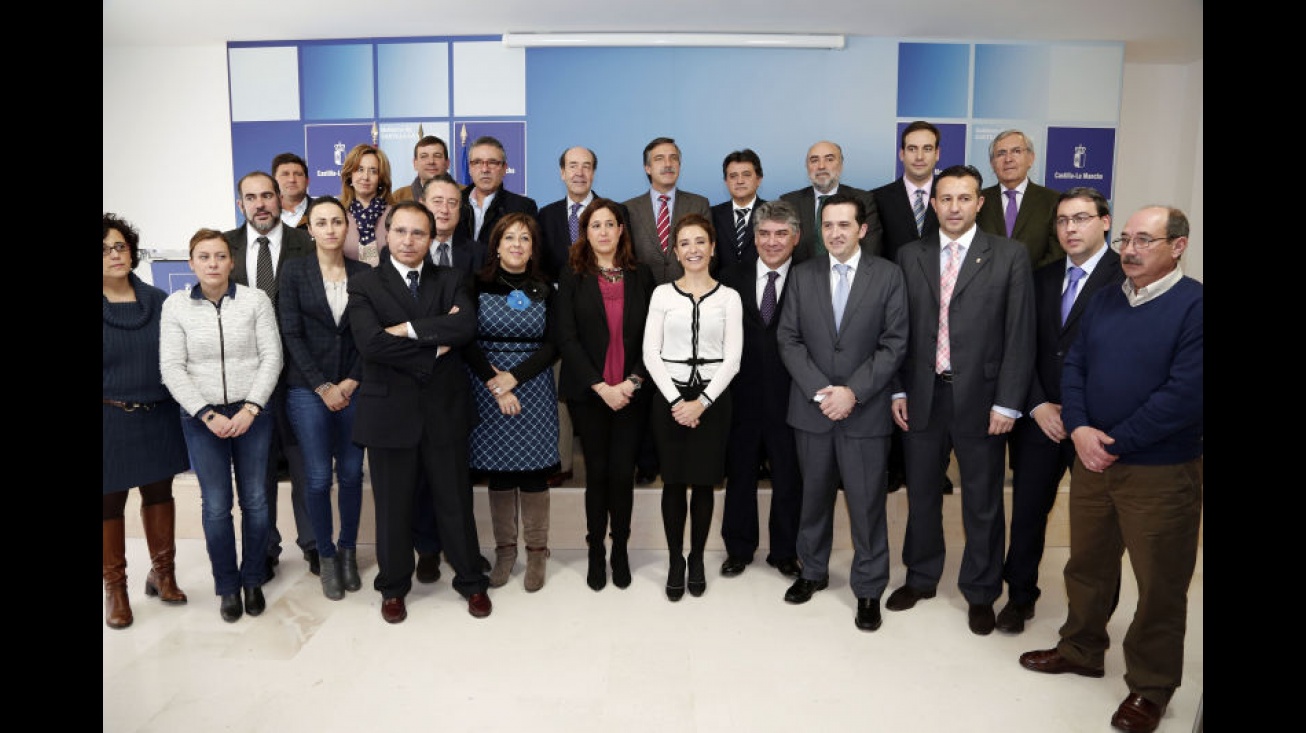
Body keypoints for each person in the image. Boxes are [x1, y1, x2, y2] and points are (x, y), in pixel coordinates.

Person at [1019, 206, 1202, 733]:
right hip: (1092, 459)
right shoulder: (1104, 301)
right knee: (1088, 565)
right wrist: (1079, 428)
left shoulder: (1194, 307)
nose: (1130, 249)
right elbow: (1074, 366)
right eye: (1126, 238)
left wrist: (1116, 442)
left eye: (1145, 239)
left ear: (1178, 246)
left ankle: (1150, 686)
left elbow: (1186, 395)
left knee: (1160, 583)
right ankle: (1081, 648)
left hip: (1160, 471)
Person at [887, 164, 1035, 636]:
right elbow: (898, 331)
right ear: (933, 204)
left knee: (983, 501)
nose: (954, 207)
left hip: (983, 400)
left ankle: (981, 591)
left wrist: (1009, 402)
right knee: (923, 494)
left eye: (964, 198)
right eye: (945, 199)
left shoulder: (1009, 255)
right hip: (923, 396)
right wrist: (898, 387)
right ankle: (922, 576)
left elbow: (1020, 334)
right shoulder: (909, 255)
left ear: (980, 202)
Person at [346, 201, 491, 623]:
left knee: (455, 501)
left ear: (432, 239)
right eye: (402, 231)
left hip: (444, 410)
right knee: (392, 507)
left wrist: (408, 330)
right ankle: (393, 588)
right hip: (389, 412)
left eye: (419, 233)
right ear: (386, 235)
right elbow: (370, 344)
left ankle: (470, 581)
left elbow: (464, 328)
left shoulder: (451, 278)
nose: (409, 241)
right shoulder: (365, 284)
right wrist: (433, 346)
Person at [775, 193, 908, 632]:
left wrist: (852, 392)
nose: (835, 233)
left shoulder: (888, 276)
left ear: (862, 229)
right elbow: (789, 339)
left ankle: (868, 588)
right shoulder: (802, 274)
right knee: (812, 498)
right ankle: (812, 570)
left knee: (867, 505)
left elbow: (894, 343)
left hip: (864, 413)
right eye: (827, 226)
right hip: (812, 412)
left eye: (844, 225)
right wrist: (821, 391)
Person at [998, 187, 1125, 633]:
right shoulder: (1041, 278)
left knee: (1098, 530)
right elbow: (1022, 347)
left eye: (1082, 218)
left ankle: (1092, 618)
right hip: (1040, 423)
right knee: (1028, 513)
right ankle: (1018, 596)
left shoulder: (1126, 278)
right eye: (1063, 221)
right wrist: (1035, 404)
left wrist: (1078, 413)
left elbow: (1127, 359)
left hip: (1097, 427)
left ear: (1105, 222)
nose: (1071, 228)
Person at [160, 228, 283, 623]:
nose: (213, 264)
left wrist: (250, 408)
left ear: (232, 261)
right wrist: (207, 414)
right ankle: (227, 586)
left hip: (253, 414)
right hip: (201, 419)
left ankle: (252, 580)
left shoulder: (255, 300)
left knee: (257, 501)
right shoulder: (176, 306)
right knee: (216, 505)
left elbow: (272, 358)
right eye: (204, 257)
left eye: (220, 256)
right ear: (192, 263)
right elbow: (172, 368)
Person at [555, 198, 656, 591]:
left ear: (620, 230)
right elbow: (566, 337)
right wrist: (600, 386)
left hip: (631, 392)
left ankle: (620, 549)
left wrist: (631, 382)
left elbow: (654, 335)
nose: (603, 232)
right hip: (590, 393)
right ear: (586, 232)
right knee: (597, 474)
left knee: (622, 474)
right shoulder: (573, 275)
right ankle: (596, 549)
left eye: (610, 224)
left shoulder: (642, 275)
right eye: (595, 225)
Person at [222, 171, 318, 581]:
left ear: (281, 199)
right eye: (251, 197)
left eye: (267, 195)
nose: (260, 204)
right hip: (246, 377)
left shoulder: (306, 243)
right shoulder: (223, 247)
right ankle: (264, 547)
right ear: (240, 203)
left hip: (298, 374)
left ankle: (315, 545)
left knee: (305, 467)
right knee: (256, 472)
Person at [643, 214, 742, 601]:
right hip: (669, 399)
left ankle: (697, 558)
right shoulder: (662, 295)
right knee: (673, 482)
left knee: (703, 483)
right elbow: (651, 354)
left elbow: (732, 360)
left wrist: (700, 403)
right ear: (676, 250)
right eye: (685, 243)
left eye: (700, 241)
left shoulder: (729, 297)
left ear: (713, 247)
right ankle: (674, 561)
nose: (693, 249)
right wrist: (677, 402)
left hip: (713, 401)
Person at [276, 195, 370, 600]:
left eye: (337, 221)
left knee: (351, 474)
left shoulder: (365, 273)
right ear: (309, 229)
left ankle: (348, 550)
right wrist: (322, 386)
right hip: (306, 390)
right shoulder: (294, 272)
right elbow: (290, 334)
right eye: (322, 222)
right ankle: (326, 555)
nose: (330, 229)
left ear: (347, 227)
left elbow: (371, 337)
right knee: (316, 477)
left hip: (354, 387)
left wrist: (350, 382)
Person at [103, 213, 192, 629]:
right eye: (104, 249)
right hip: (109, 419)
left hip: (158, 414)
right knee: (109, 505)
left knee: (159, 495)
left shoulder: (158, 300)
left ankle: (163, 575)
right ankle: (116, 590)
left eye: (119, 246)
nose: (114, 254)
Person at [465, 213, 561, 592]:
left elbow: (554, 344)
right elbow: (466, 339)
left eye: (525, 238)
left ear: (533, 246)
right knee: (501, 473)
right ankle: (506, 551)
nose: (517, 244)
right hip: (487, 384)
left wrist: (514, 379)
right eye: (509, 238)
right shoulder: (476, 283)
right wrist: (497, 383)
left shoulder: (546, 286)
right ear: (497, 245)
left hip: (533, 385)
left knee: (535, 472)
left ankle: (537, 551)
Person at [716, 200, 803, 580]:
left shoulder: (809, 277)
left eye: (781, 233)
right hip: (742, 396)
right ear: (753, 237)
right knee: (740, 475)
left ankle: (785, 551)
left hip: (793, 396)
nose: (772, 242)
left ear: (796, 238)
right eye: (764, 233)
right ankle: (738, 548)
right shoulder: (730, 278)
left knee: (788, 476)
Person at [871, 121, 950, 496]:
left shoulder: (951, 197)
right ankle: (895, 466)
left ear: (937, 153)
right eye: (912, 148)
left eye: (927, 148)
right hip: (894, 305)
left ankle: (936, 467)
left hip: (946, 309)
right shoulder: (878, 198)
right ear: (901, 154)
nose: (920, 155)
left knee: (938, 392)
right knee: (896, 385)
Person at [537, 146, 623, 489]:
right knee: (563, 389)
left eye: (586, 166)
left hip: (604, 316)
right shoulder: (547, 215)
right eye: (572, 166)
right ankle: (561, 462)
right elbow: (539, 268)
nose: (579, 172)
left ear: (594, 173)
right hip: (560, 316)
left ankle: (608, 463)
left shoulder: (613, 213)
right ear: (561, 172)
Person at [621, 136, 711, 285]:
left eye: (673, 158)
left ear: (679, 165)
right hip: (643, 295)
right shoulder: (628, 209)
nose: (668, 164)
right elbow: (624, 257)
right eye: (659, 158)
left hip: (689, 293)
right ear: (647, 168)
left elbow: (710, 254)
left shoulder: (699, 204)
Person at [780, 140, 882, 262]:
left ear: (841, 165)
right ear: (807, 167)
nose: (821, 166)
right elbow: (782, 249)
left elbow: (870, 247)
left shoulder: (863, 199)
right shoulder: (789, 202)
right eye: (814, 160)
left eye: (829, 159)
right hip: (801, 277)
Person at [975, 129, 1063, 269]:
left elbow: (1057, 252)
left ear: (1031, 158)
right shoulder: (978, 201)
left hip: (1035, 286)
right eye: (1001, 153)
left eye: (1016, 151)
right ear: (992, 163)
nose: (1008, 159)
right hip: (986, 287)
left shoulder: (1053, 201)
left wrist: (1025, 279)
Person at [457, 135, 539, 248]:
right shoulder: (454, 203)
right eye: (478, 162)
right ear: (470, 168)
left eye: (492, 162)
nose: (485, 169)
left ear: (504, 168)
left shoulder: (522, 207)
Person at [710, 149, 766, 273]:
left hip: (760, 287)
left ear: (758, 180)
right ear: (726, 182)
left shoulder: (772, 213)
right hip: (722, 287)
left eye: (746, 174)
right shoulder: (712, 214)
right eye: (733, 176)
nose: (739, 181)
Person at [340, 143, 395, 266]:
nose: (365, 177)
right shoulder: (339, 214)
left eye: (373, 171)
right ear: (350, 175)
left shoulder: (395, 214)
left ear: (381, 178)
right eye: (360, 169)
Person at [391, 135, 454, 203]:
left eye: (437, 156)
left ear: (447, 163)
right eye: (424, 156)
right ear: (415, 164)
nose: (431, 161)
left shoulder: (464, 193)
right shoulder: (399, 197)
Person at [272, 152, 312, 229]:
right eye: (285, 174)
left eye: (298, 174)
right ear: (273, 181)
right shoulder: (264, 215)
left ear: (307, 181)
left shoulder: (322, 211)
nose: (292, 180)